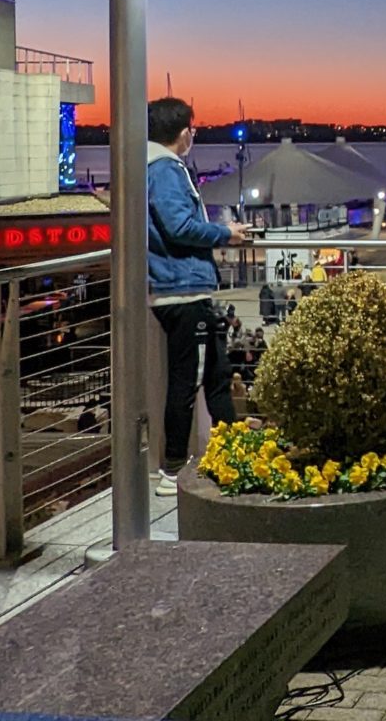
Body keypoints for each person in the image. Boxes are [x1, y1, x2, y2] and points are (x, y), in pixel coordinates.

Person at [146, 98, 251, 497]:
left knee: (215, 377)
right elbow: (178, 225)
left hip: (181, 290)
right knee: (191, 379)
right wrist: (227, 234)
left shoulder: (150, 168)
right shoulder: (166, 170)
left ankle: (233, 455)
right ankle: (172, 469)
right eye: (193, 128)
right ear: (184, 131)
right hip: (184, 291)